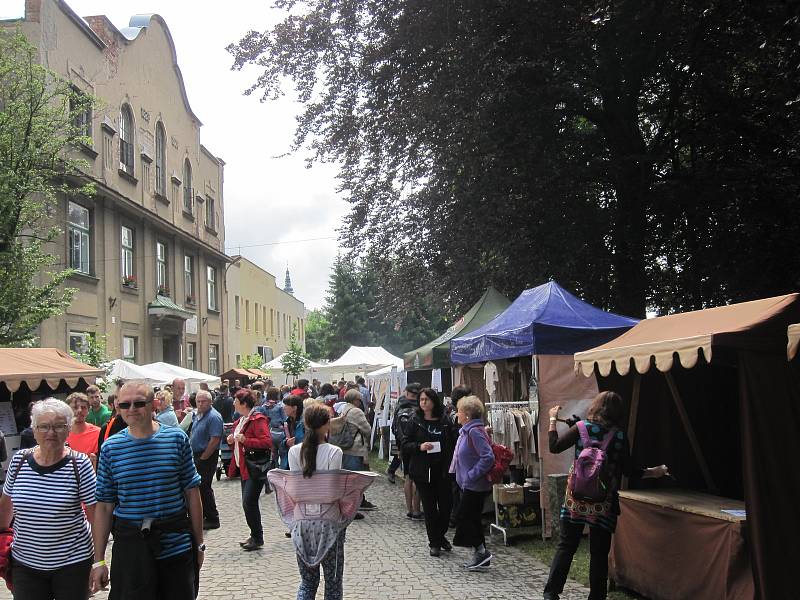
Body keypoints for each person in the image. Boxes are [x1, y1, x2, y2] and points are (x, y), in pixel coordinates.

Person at [544, 391, 670, 600]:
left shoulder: (581, 427)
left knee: (566, 546)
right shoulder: (620, 436)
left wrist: (551, 419)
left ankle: (551, 593)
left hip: (575, 499)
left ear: (595, 406)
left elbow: (554, 446)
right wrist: (654, 472)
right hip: (604, 503)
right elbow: (630, 471)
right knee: (599, 554)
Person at [90, 383, 204, 599]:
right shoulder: (110, 448)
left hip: (175, 545)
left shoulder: (176, 439)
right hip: (131, 548)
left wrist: (199, 544)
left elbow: (192, 492)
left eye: (139, 403)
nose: (131, 408)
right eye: (124, 404)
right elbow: (104, 506)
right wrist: (99, 560)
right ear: (117, 407)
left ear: (153, 405)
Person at [0, 398, 97, 600]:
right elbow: (5, 508)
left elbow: (95, 516)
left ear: (68, 429)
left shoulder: (80, 464)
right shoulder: (19, 461)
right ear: (33, 430)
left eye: (58, 426)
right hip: (25, 562)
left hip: (73, 561)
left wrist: (99, 562)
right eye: (43, 426)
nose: (51, 433)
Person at [286, 404, 348, 600]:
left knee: (307, 583)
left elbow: (295, 489)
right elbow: (333, 490)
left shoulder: (294, 452)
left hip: (301, 523)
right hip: (329, 523)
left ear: (305, 424)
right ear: (327, 425)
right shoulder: (334, 453)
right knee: (333, 584)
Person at [402, 388, 456, 556]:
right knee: (430, 508)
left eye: (426, 399)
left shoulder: (445, 420)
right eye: (421, 400)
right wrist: (420, 447)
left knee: (446, 508)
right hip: (423, 470)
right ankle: (435, 542)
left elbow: (454, 440)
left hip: (443, 470)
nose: (423, 402)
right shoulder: (415, 420)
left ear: (434, 401)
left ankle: (440, 536)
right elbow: (405, 443)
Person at [450, 395, 494, 570]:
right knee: (472, 518)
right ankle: (481, 554)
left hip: (474, 485)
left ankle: (482, 552)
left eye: (459, 411)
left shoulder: (474, 432)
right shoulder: (467, 431)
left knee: (465, 517)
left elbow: (487, 457)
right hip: (468, 484)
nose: (456, 414)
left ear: (467, 414)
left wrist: (471, 475)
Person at [227, 389, 272, 551]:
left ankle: (257, 537)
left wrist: (246, 440)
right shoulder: (242, 420)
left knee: (249, 502)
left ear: (244, 404)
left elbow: (266, 442)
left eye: (236, 400)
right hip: (245, 467)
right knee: (248, 503)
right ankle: (254, 535)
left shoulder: (257, 419)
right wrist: (232, 440)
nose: (233, 403)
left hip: (254, 467)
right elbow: (238, 442)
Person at [332, 389, 376, 514]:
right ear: (356, 400)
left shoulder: (343, 408)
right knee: (356, 480)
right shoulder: (356, 411)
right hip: (355, 449)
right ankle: (351, 508)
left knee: (347, 478)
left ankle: (350, 505)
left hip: (343, 447)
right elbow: (367, 429)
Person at [190, 390, 224, 530]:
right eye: (198, 401)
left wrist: (204, 457)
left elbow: (215, 440)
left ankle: (213, 518)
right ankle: (204, 515)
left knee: (204, 486)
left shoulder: (214, 417)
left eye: (203, 401)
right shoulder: (199, 415)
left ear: (210, 402)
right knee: (200, 486)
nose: (200, 403)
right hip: (198, 454)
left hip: (207, 456)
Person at [391, 383, 423, 518]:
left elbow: (394, 428)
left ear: (406, 393)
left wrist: (400, 446)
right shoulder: (420, 409)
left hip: (404, 446)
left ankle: (409, 509)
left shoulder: (399, 407)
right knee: (417, 479)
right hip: (417, 446)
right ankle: (416, 510)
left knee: (408, 477)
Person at [447, 385, 472, 527]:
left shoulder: (452, 413)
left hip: (456, 456)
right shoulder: (456, 416)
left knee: (457, 488)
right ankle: (457, 517)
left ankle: (456, 516)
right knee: (458, 488)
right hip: (456, 457)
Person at [66, 392, 100, 464]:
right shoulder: (61, 433)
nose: (79, 410)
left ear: (88, 410)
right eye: (75, 407)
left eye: (83, 407)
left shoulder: (98, 433)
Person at [279, 394, 305, 469]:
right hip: (288, 461)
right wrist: (286, 443)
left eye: (286, 405)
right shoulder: (287, 422)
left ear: (294, 408)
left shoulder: (305, 423)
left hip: (301, 462)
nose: (284, 408)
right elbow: (282, 442)